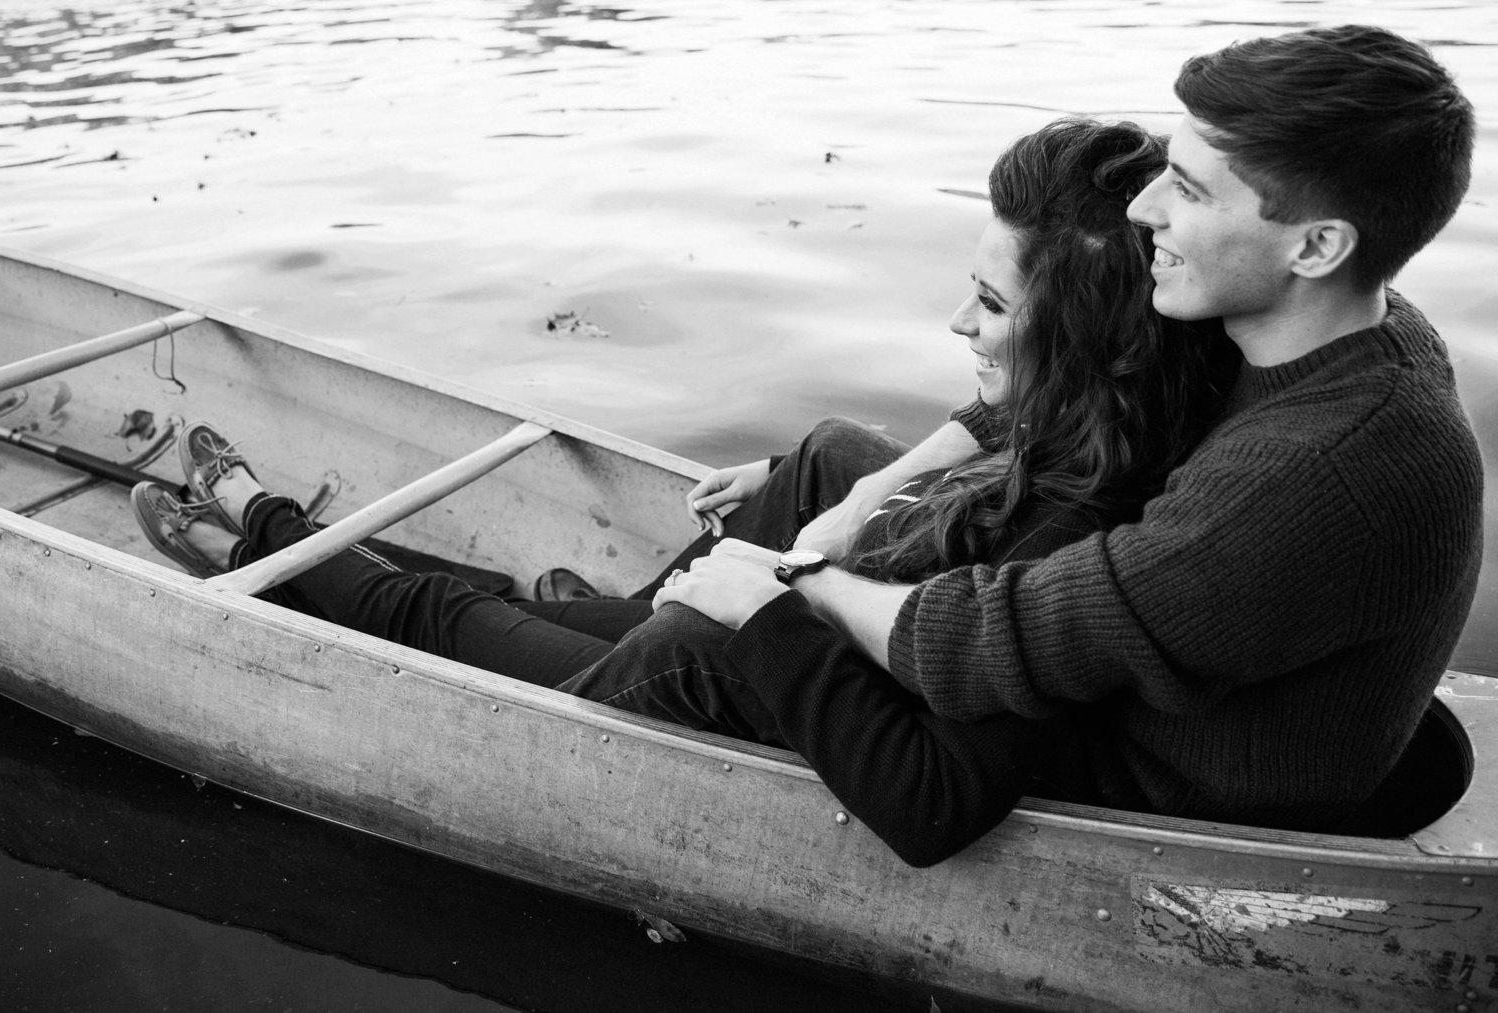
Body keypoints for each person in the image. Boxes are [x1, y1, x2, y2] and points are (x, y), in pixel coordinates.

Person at [134, 116, 1237, 863]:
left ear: (1088, 342)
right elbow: (1005, 409)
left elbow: (932, 802)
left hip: (700, 689)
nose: (957, 325)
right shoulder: (1133, 411)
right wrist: (848, 500)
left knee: (449, 616)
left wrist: (757, 611)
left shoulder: (1068, 553)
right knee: (535, 604)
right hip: (733, 650)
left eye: (988, 308)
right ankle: (299, 549)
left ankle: (251, 533)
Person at [652, 24, 1482, 836]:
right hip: (1157, 661)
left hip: (1156, 775)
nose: (1145, 207)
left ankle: (590, 645)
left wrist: (789, 582)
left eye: (1188, 191)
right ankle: (623, 623)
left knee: (702, 643)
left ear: (1317, 246)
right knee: (833, 458)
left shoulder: (1309, 474)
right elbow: (1092, 373)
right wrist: (873, 486)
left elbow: (988, 645)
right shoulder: (1341, 328)